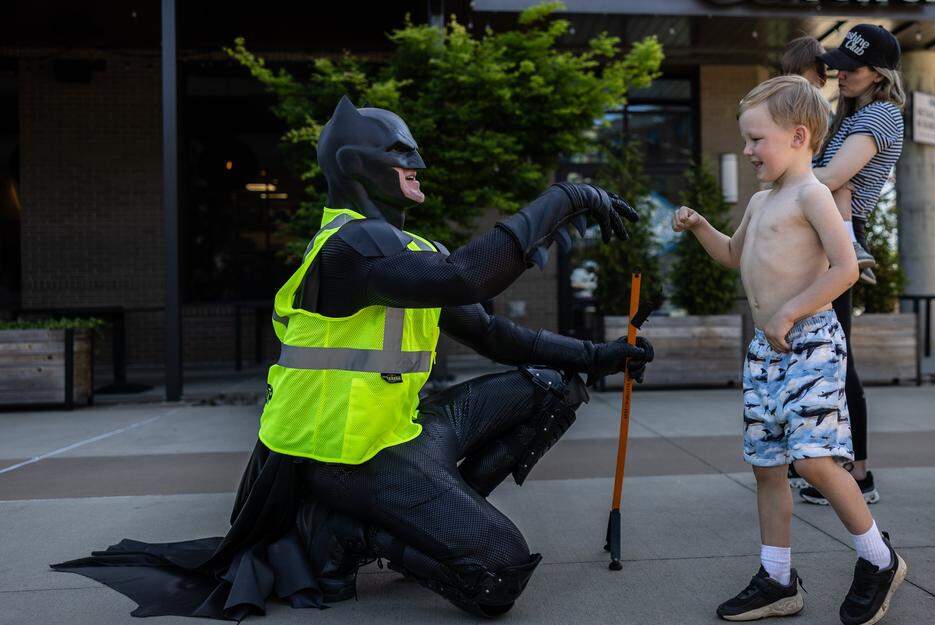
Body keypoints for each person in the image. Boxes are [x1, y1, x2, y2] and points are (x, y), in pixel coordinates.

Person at [53, 96, 656, 619]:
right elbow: (469, 276)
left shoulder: (408, 250)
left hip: (403, 431)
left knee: (552, 383)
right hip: (349, 455)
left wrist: (604, 355)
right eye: (401, 154)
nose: (418, 166)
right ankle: (357, 532)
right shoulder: (347, 247)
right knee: (496, 577)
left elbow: (498, 338)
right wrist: (567, 197)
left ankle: (429, 518)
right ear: (355, 165)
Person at [674, 76, 906, 624]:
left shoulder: (813, 195)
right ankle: (777, 577)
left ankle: (879, 558)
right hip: (766, 351)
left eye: (757, 139)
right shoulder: (760, 201)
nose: (748, 150)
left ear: (799, 135)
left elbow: (846, 268)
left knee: (814, 460)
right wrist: (702, 226)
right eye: (746, 139)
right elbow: (734, 256)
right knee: (768, 465)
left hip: (812, 344)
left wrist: (790, 311)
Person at [793, 25, 906, 506]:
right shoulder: (850, 115)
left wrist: (784, 176)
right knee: (826, 353)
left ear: (878, 74)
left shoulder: (881, 116)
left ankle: (857, 472)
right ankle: (837, 466)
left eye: (852, 68)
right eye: (838, 63)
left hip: (841, 238)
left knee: (838, 358)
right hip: (825, 236)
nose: (841, 73)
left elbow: (835, 176)